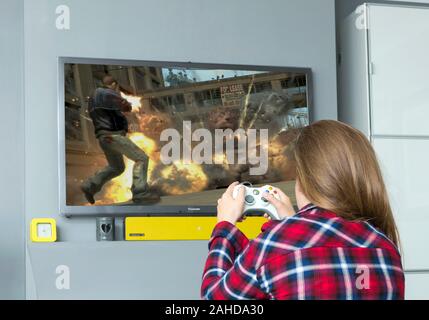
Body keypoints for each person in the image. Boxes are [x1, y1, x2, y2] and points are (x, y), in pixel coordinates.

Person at [201, 120, 405, 300]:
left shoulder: (276, 244)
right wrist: (292, 222)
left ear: (304, 178)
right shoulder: (387, 250)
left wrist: (225, 227)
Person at [81, 75, 159, 204]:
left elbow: (110, 113)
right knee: (141, 158)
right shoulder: (107, 93)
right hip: (113, 135)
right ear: (114, 84)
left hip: (103, 137)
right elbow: (126, 106)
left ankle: (90, 186)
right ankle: (140, 192)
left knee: (116, 167)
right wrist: (128, 103)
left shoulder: (94, 98)